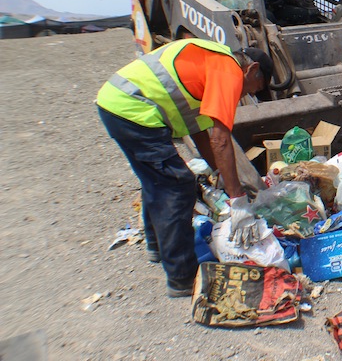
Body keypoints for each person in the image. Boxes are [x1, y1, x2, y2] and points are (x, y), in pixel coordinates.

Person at [96, 39, 274, 297]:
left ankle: (158, 247)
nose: (246, 95)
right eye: (253, 89)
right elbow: (220, 139)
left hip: (118, 103)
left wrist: (221, 176)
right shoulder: (228, 70)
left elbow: (201, 133)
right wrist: (238, 202)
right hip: (132, 109)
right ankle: (182, 277)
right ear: (251, 69)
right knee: (177, 187)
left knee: (156, 180)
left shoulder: (208, 66)